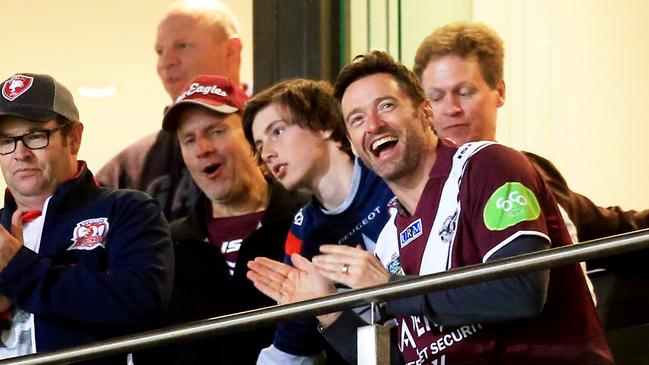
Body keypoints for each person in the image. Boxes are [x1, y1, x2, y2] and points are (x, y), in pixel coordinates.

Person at [248, 51, 613, 364]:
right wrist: (327, 308)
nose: (373, 125)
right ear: (354, 144)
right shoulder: (391, 239)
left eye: (386, 106)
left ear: (425, 112)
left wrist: (392, 289)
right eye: (357, 119)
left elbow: (521, 291)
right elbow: (396, 360)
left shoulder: (487, 165)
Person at [412, 21, 649, 245]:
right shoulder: (408, 192)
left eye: (464, 92)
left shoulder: (527, 172)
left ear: (500, 92)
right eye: (436, 98)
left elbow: (617, 229)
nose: (451, 109)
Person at [0, 73, 173, 364]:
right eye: (6, 141)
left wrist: (20, 270)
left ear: (74, 138)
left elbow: (141, 302)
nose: (21, 153)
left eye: (35, 136)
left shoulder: (127, 210)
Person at [242, 79, 395, 364]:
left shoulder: (389, 171)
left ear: (325, 124)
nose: (267, 153)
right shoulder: (303, 234)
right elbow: (291, 348)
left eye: (277, 131)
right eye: (260, 145)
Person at [153, 74, 303, 364]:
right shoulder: (166, 246)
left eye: (216, 131)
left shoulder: (308, 219)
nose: (203, 148)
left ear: (251, 135)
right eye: (189, 139)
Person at [96, 0, 244, 221]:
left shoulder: (277, 138)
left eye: (182, 45)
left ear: (231, 51)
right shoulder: (129, 168)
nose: (166, 62)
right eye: (160, 51)